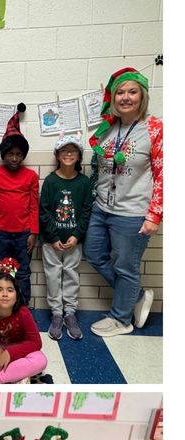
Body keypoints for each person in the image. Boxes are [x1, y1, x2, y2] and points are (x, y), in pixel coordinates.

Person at [84, 67, 163, 337]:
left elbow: (164, 173)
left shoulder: (155, 128)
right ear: (113, 97)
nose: (125, 97)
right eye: (120, 92)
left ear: (142, 96)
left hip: (133, 212)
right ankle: (136, 295)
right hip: (102, 208)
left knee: (125, 267)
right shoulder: (108, 127)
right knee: (94, 253)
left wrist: (154, 215)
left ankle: (121, 319)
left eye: (132, 92)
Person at [0, 104, 38, 302]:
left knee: (22, 271)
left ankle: (22, 307)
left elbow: (34, 206)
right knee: (1, 270)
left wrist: (33, 232)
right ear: (4, 154)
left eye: (18, 154)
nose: (14, 158)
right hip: (0, 233)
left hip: (24, 233)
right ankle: (1, 305)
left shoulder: (31, 176)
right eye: (10, 154)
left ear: (23, 155)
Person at [40, 134, 92, 340]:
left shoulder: (84, 182)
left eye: (73, 151)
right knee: (53, 275)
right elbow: (44, 211)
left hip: (73, 242)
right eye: (64, 150)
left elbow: (87, 211)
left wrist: (76, 235)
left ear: (79, 155)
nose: (68, 154)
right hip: (51, 241)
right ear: (57, 155)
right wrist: (53, 237)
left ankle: (70, 313)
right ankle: (57, 313)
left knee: (71, 275)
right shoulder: (50, 181)